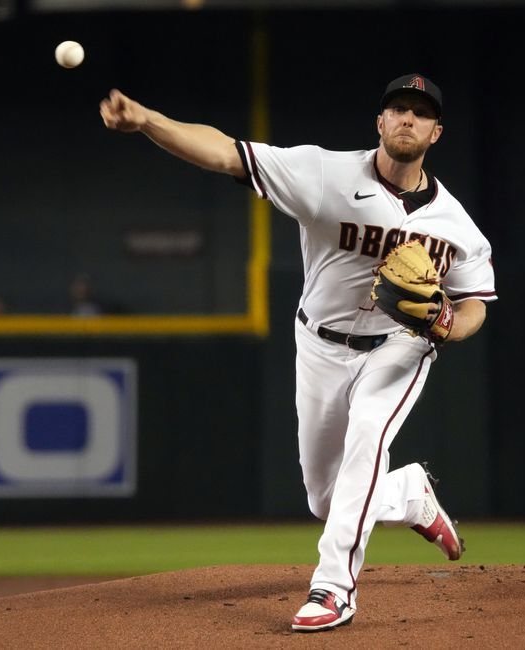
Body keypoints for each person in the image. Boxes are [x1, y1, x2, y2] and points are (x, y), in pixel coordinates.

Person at [101, 73, 497, 631]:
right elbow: (225, 154)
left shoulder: (456, 225)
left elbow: (475, 303)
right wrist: (147, 121)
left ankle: (333, 588)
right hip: (319, 344)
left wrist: (447, 324)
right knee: (325, 496)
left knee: (368, 439)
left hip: (399, 346)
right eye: (398, 109)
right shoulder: (325, 174)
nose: (408, 118)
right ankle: (408, 495)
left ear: (436, 132)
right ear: (380, 123)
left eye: (421, 113)